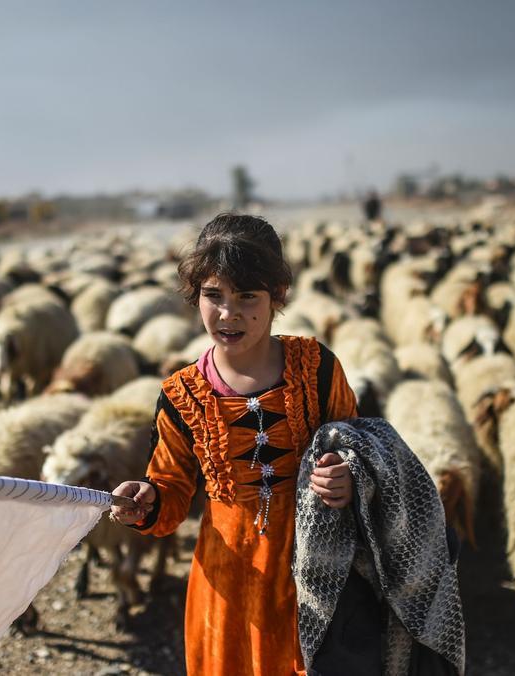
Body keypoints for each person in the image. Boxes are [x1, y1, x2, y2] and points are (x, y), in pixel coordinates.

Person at [110, 213, 358, 675]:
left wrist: (349, 479)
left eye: (247, 296)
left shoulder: (318, 368)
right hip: (227, 588)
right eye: (213, 296)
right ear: (195, 297)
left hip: (320, 573)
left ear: (277, 296)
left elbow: (364, 450)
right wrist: (147, 502)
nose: (229, 314)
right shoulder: (181, 396)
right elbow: (169, 490)